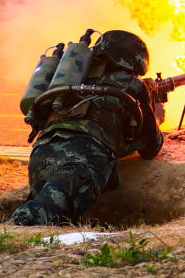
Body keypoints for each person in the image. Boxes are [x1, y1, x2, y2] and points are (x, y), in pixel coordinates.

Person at [11, 29, 164, 227]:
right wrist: (156, 114)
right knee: (36, 218)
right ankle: (3, 231)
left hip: (41, 155)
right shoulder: (131, 83)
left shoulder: (71, 79)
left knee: (59, 218)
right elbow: (151, 147)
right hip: (83, 157)